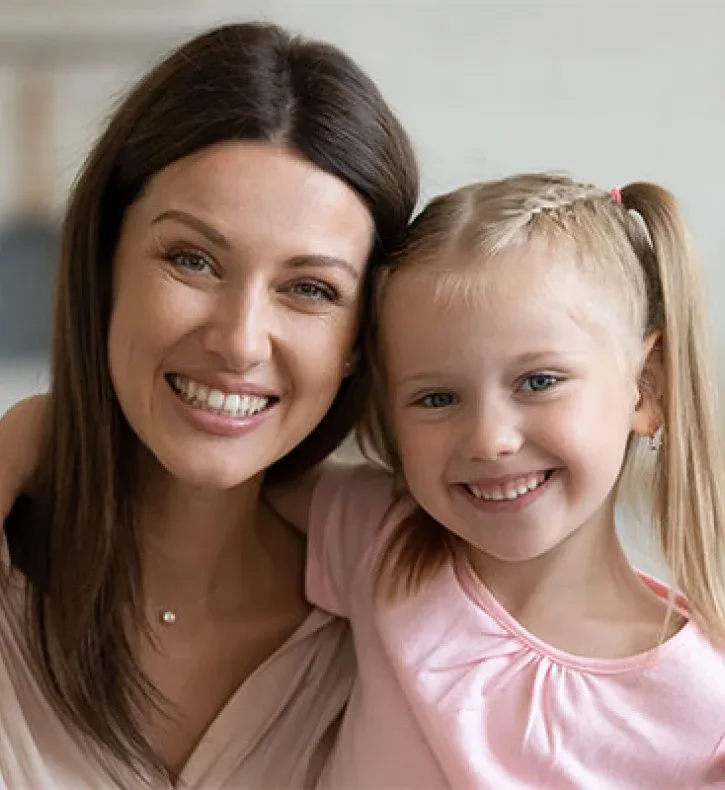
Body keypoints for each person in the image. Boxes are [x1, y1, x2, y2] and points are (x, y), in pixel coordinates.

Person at [0, 20, 418, 790]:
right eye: (192, 260)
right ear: (104, 267)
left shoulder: (397, 637)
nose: (239, 340)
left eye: (310, 289)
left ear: (361, 339)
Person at [269, 173, 725, 787]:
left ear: (647, 387)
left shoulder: (704, 707)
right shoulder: (380, 536)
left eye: (539, 382)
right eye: (436, 398)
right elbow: (217, 483)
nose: (488, 440)